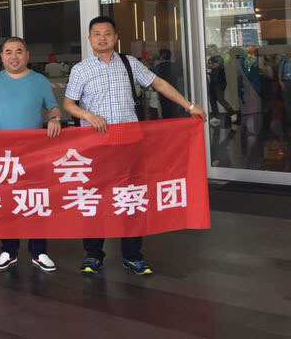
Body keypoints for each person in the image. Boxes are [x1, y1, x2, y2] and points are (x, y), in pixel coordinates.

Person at [63, 16, 206, 276]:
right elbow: (69, 104)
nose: (102, 38)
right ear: (90, 38)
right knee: (94, 199)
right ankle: (93, 255)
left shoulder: (130, 64)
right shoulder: (81, 69)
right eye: (97, 34)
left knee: (131, 198)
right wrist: (87, 116)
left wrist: (189, 106)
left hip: (129, 143)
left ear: (116, 37)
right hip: (95, 145)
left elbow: (158, 83)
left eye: (107, 33)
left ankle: (132, 255)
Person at [0, 37, 62, 273]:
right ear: (1, 57)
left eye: (19, 51)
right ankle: (8, 250)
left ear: (27, 55)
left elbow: (53, 107)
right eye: (8, 52)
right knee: (6, 200)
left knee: (35, 199)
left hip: (34, 152)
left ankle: (38, 251)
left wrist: (54, 118)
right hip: (3, 153)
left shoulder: (39, 80)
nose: (14, 56)